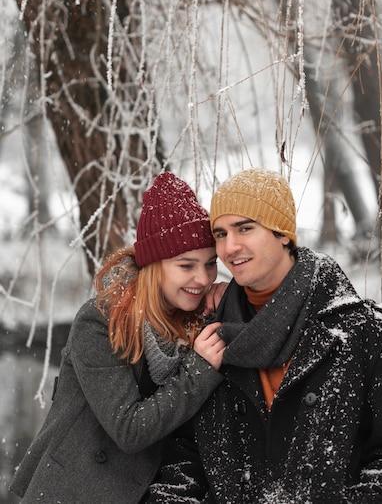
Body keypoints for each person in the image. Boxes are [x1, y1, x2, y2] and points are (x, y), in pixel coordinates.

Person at [192, 168, 382, 503]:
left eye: (245, 228)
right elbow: (183, 458)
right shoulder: (208, 339)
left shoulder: (372, 336)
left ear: (283, 233)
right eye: (221, 234)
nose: (230, 247)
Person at [9, 172, 226, 503]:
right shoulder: (100, 322)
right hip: (74, 491)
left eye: (210, 264)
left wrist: (231, 299)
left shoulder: (194, 316)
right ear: (154, 265)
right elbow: (130, 429)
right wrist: (198, 372)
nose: (202, 277)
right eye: (186, 266)